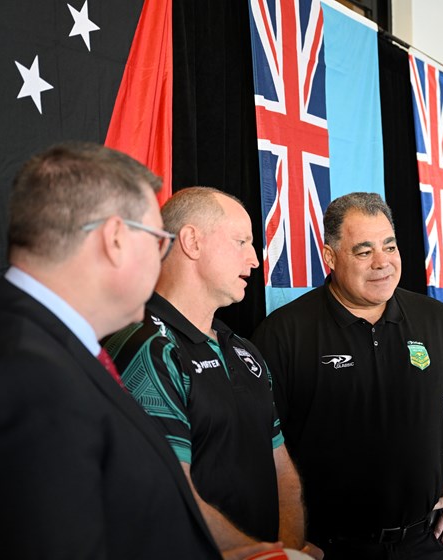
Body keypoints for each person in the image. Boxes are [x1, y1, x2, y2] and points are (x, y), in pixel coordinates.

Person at [0, 143, 228, 558]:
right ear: (115, 238)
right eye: (157, 241)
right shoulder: (27, 376)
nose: (162, 259)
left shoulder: (34, 342)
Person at [251, 192, 443, 560]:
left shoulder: (435, 319)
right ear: (330, 257)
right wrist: (290, 539)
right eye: (364, 251)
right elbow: (257, 447)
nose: (382, 263)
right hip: (329, 547)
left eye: (390, 246)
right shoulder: (284, 334)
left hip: (426, 542)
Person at [103, 187, 321, 559]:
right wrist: (269, 556)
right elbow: (168, 492)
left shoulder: (244, 350)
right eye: (241, 242)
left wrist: (286, 550)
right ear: (192, 242)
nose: (254, 260)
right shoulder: (147, 347)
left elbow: (281, 470)